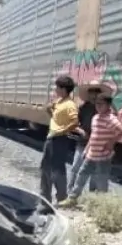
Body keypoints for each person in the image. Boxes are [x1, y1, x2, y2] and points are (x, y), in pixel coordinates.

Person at [61, 89, 122, 206]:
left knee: (101, 180)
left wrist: (111, 142)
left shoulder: (111, 119)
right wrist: (86, 149)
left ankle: (100, 205)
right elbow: (93, 136)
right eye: (97, 104)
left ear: (108, 105)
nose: (98, 106)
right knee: (81, 175)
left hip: (103, 157)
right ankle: (72, 199)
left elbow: (121, 131)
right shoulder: (95, 117)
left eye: (101, 104)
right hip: (90, 154)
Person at [41, 75, 79, 203]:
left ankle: (61, 198)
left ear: (63, 89)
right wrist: (49, 110)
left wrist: (62, 131)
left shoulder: (70, 104)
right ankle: (45, 198)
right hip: (51, 138)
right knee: (45, 167)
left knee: (57, 169)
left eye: (57, 87)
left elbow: (74, 122)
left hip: (59, 140)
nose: (55, 89)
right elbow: (56, 118)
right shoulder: (59, 101)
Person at [66, 86, 102, 192]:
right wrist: (81, 131)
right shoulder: (83, 107)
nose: (94, 95)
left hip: (97, 144)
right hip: (83, 142)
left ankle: (92, 193)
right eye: (92, 92)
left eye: (97, 92)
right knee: (76, 166)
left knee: (95, 171)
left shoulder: (102, 108)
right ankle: (70, 190)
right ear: (89, 94)